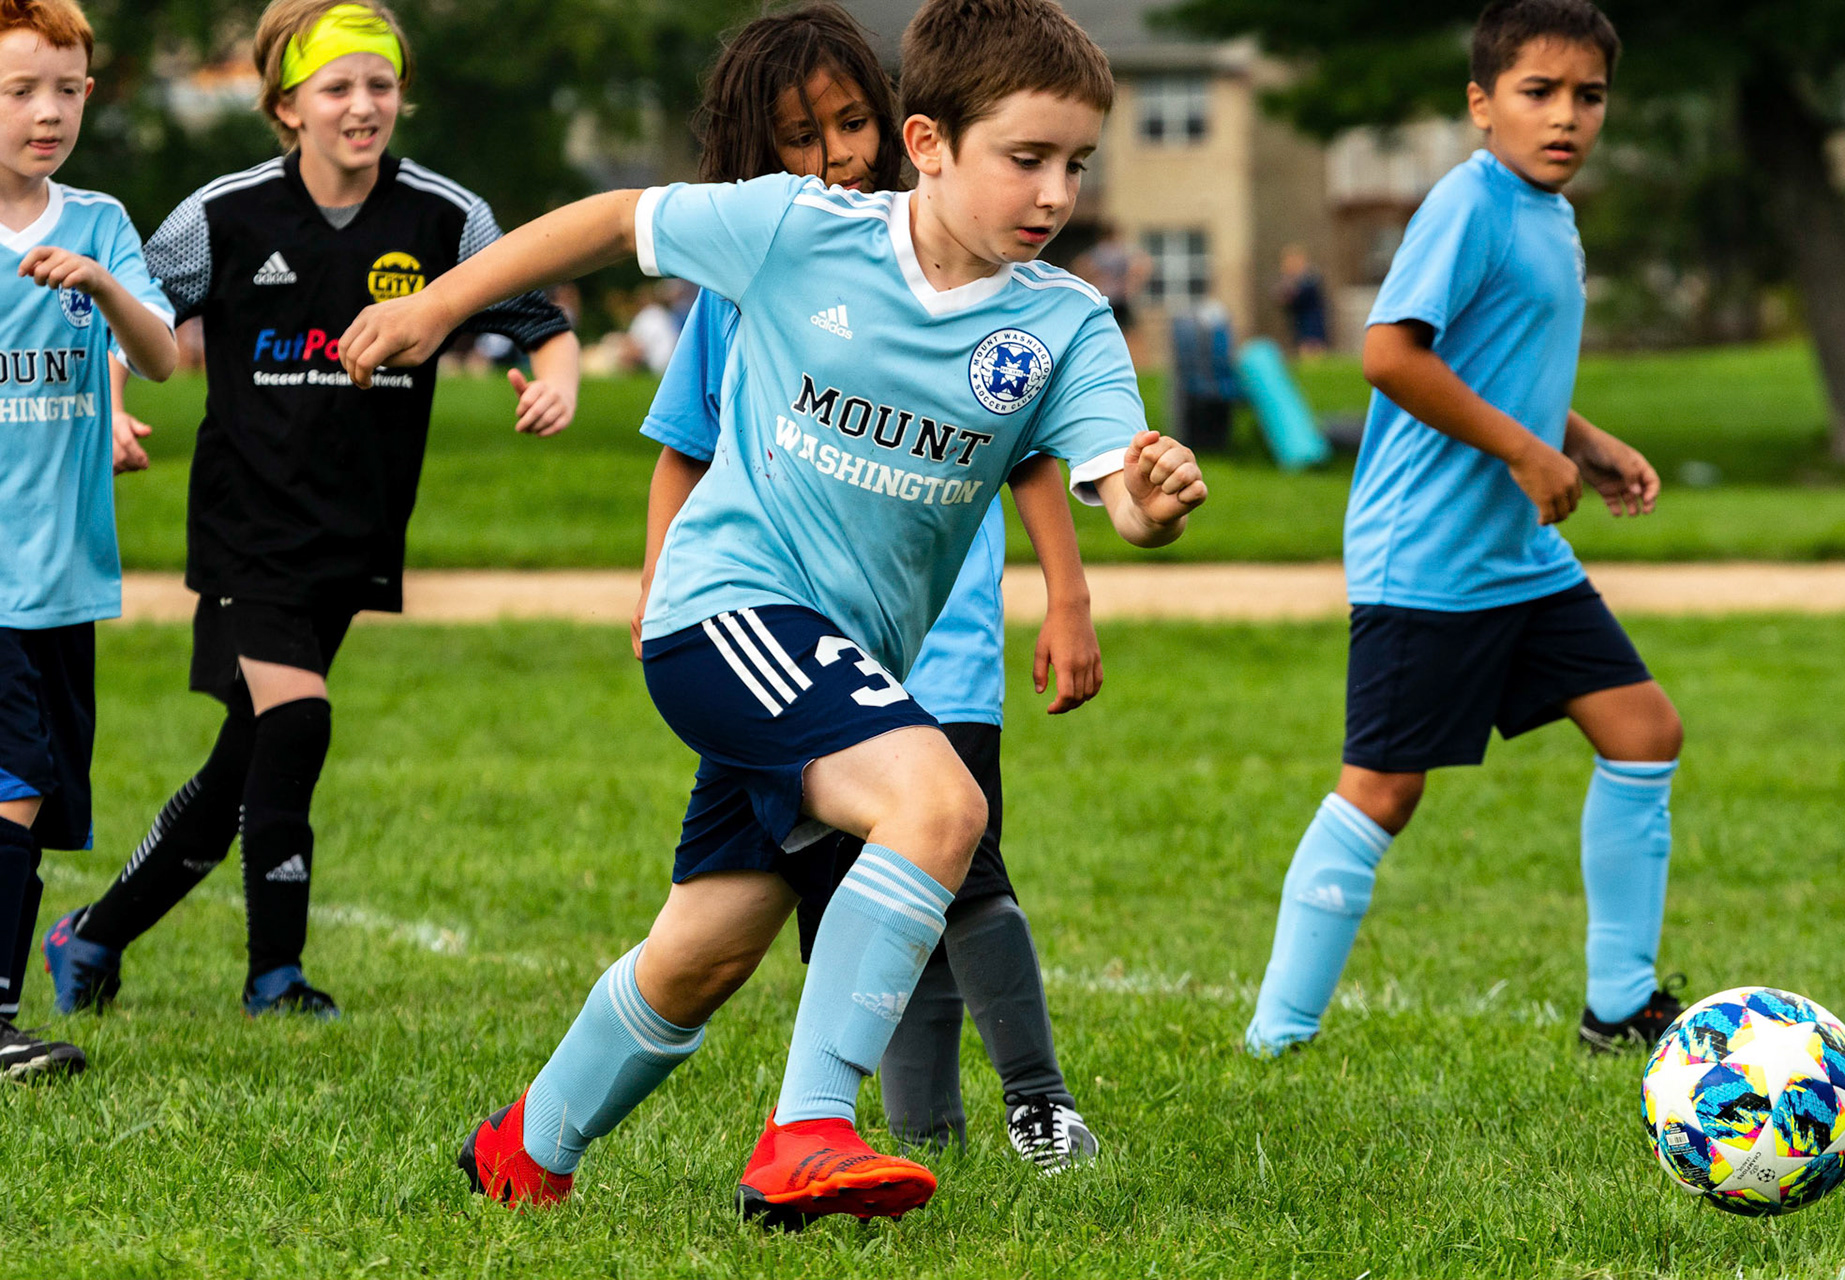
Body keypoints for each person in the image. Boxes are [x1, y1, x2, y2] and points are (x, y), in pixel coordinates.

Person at [339, 0, 1206, 1225]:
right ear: (929, 141)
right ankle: (807, 1132)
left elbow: (1120, 493)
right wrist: (438, 307)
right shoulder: (802, 229)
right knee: (941, 799)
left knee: (707, 948)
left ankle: (521, 1152)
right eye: (1027, 157)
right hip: (727, 611)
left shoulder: (1063, 325)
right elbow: (612, 221)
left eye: (1076, 163)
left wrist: (1156, 503)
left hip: (835, 669)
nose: (1055, 191)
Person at [43, 0, 579, 1021]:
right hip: (248, 524)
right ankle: (275, 976)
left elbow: (535, 317)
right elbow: (129, 314)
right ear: (286, 106)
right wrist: (109, 405)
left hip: (356, 529)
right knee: (297, 724)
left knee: (244, 758)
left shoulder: (444, 219)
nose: (363, 104)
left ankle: (95, 932)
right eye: (337, 87)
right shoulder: (224, 216)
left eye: (379, 84)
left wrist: (556, 379)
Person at [638, 1, 1104, 1172]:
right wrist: (665, 597)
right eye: (803, 138)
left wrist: (1068, 591)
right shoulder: (756, 280)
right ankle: (903, 1125)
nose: (837, 155)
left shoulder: (1009, 300)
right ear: (756, 158)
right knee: (848, 879)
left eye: (853, 123)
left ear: (905, 130)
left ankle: (1035, 1101)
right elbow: (684, 450)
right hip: (787, 629)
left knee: (964, 853)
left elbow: (1043, 449)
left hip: (938, 640)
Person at [1244, 0, 1686, 1060]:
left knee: (1644, 730)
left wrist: (1577, 439)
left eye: (1589, 97)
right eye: (1539, 93)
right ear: (1482, 104)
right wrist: (1524, 452)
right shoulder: (1470, 204)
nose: (1566, 117)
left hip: (1519, 556)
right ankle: (1277, 1036)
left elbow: (1497, 366)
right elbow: (1391, 355)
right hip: (1430, 555)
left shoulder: (1551, 213)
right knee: (1383, 789)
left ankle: (1619, 1005)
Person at [0, 0, 177, 1076]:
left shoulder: (100, 222)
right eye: (21, 89)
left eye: (67, 88)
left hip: (63, 571)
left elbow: (156, 356)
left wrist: (106, 291)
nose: (48, 111)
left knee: (38, 789)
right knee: (13, 778)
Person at [1273, 244, 1328, 356]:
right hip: (1299, 320)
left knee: (1313, 346)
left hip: (1312, 319)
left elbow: (1302, 295)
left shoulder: (1310, 277)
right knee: (1303, 346)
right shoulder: (1289, 279)